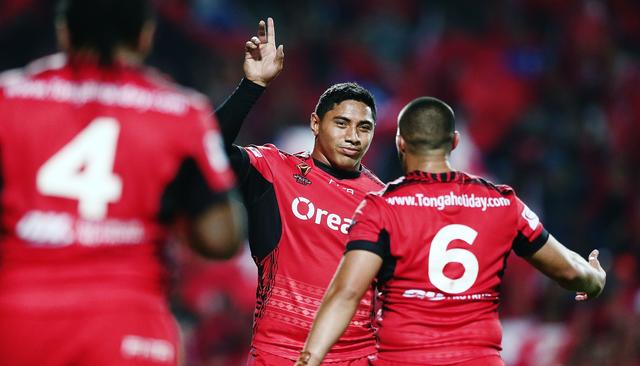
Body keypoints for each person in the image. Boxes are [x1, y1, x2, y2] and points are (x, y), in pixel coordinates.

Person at [0, 0, 245, 365]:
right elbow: (220, 239)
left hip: (20, 320)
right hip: (128, 322)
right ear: (145, 37)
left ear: (63, 32)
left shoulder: (9, 98)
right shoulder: (181, 112)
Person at [295, 97, 607, 366]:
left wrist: (307, 360)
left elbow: (346, 294)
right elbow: (568, 270)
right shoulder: (501, 203)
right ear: (454, 142)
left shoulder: (381, 209)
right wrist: (594, 279)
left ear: (400, 142)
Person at [215, 17, 384, 366]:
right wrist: (252, 85)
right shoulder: (275, 171)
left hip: (356, 359)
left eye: (364, 127)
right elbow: (208, 151)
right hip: (278, 356)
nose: (354, 136)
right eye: (342, 123)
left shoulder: (383, 201)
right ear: (315, 123)